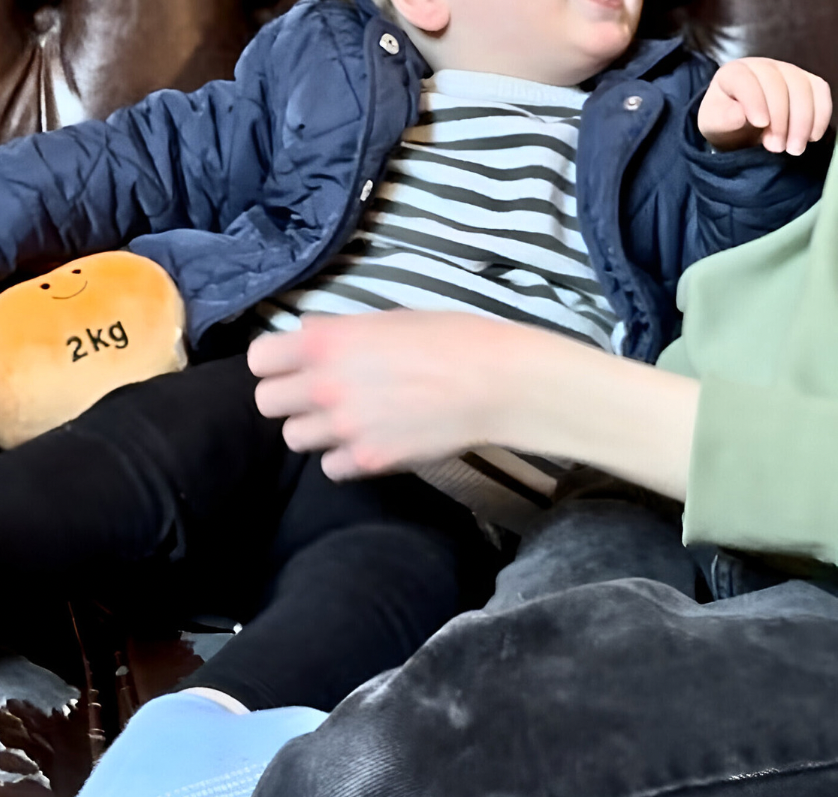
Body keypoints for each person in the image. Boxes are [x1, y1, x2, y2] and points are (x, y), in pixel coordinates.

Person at [0, 0, 831, 796]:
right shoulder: (329, 78)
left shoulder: (665, 120)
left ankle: (203, 740)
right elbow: (160, 151)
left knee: (388, 588)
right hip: (273, 397)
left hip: (460, 496)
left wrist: (752, 153)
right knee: (145, 438)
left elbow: (740, 294)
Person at [246, 143, 838, 795]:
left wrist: (549, 392)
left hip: (751, 506)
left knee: (436, 751)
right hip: (663, 489)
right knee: (455, 688)